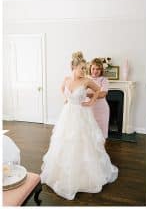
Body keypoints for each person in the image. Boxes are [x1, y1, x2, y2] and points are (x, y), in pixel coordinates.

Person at [40, 51, 118, 200]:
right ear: (73, 67)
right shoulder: (67, 79)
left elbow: (99, 91)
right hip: (68, 114)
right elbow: (62, 89)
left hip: (82, 115)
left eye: (85, 68)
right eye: (82, 68)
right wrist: (66, 99)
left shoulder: (86, 81)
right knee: (65, 141)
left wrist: (92, 102)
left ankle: (87, 173)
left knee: (84, 142)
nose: (84, 71)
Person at [87, 58, 110, 139]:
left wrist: (88, 95)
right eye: (93, 68)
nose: (95, 71)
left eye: (98, 69)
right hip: (88, 110)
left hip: (101, 110)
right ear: (90, 68)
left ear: (101, 70)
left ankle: (101, 151)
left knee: (101, 134)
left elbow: (103, 94)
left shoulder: (104, 80)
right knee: (89, 134)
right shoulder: (86, 79)